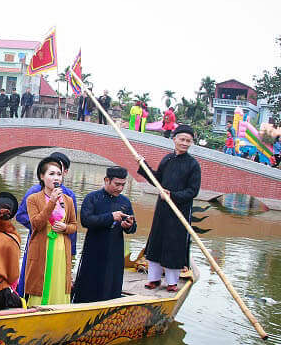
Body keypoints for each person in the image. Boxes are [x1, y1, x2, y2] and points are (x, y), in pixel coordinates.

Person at [137, 124, 201, 292]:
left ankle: (172, 282)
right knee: (156, 242)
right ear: (174, 139)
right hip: (163, 209)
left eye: (188, 141)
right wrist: (144, 167)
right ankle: (154, 279)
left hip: (180, 212)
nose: (185, 143)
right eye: (182, 139)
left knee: (174, 244)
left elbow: (193, 191)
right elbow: (157, 180)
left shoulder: (193, 165)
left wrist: (173, 195)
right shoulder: (167, 159)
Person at [16, 152, 78, 296]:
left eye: (59, 172)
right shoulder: (34, 193)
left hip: (61, 244)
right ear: (42, 175)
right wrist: (43, 227)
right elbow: (21, 215)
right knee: (33, 276)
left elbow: (73, 225)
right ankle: (23, 299)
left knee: (58, 281)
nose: (55, 177)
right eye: (51, 172)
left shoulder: (69, 196)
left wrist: (71, 250)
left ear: (65, 173)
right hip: (39, 240)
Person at [72, 167, 137, 303]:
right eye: (117, 184)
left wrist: (129, 226)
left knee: (111, 282)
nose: (120, 188)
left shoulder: (125, 202)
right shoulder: (92, 198)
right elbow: (86, 221)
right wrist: (111, 217)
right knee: (89, 282)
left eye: (123, 185)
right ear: (107, 180)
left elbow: (133, 227)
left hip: (115, 249)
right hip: (94, 248)